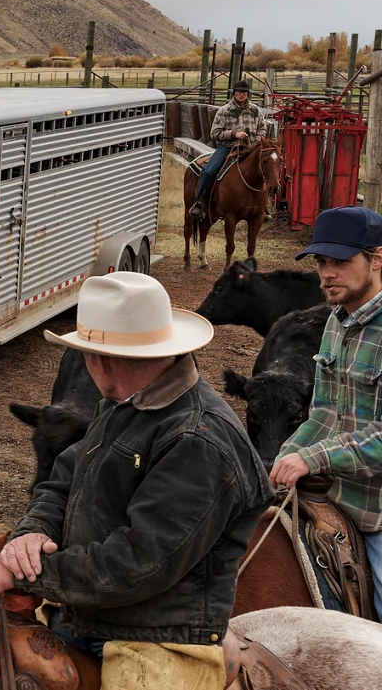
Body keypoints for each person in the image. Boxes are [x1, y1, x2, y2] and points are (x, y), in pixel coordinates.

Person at [0, 272, 273, 689]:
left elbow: (141, 564)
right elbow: (65, 477)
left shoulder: (199, 440)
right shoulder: (125, 402)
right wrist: (32, 532)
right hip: (84, 612)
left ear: (101, 360)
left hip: (160, 637)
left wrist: (21, 576)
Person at [270, 206, 382, 621]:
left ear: (377, 259)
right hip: (333, 495)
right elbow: (323, 413)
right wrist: (285, 456)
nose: (327, 273)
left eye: (340, 261)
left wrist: (313, 458)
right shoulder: (337, 321)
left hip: (378, 510)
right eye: (321, 261)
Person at [188, 80, 266, 220]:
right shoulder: (224, 110)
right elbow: (215, 133)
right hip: (227, 148)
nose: (241, 95)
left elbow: (262, 128)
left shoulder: (255, 110)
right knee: (209, 171)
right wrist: (233, 134)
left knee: (266, 170)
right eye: (238, 92)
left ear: (247, 94)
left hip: (250, 148)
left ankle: (264, 207)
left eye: (244, 92)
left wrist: (259, 138)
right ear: (234, 93)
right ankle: (199, 202)